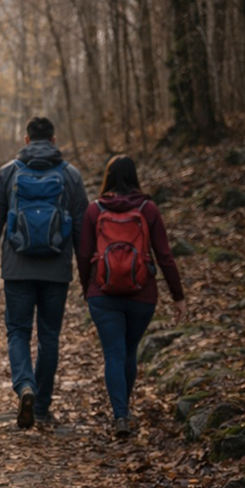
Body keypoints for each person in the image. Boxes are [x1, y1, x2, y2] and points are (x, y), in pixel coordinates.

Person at [0, 116, 88, 428]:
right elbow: (83, 228)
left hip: (17, 268)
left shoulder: (9, 172)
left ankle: (25, 385)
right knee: (49, 336)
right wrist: (86, 271)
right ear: (54, 141)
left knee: (18, 331)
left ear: (26, 140)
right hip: (56, 268)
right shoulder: (70, 175)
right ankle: (41, 407)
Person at [77, 155, 186, 437]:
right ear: (135, 176)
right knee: (129, 351)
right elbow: (165, 256)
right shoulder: (148, 209)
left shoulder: (95, 210)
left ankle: (120, 415)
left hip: (102, 292)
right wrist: (178, 295)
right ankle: (124, 407)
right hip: (143, 294)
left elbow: (84, 253)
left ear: (108, 177)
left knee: (113, 353)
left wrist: (86, 286)